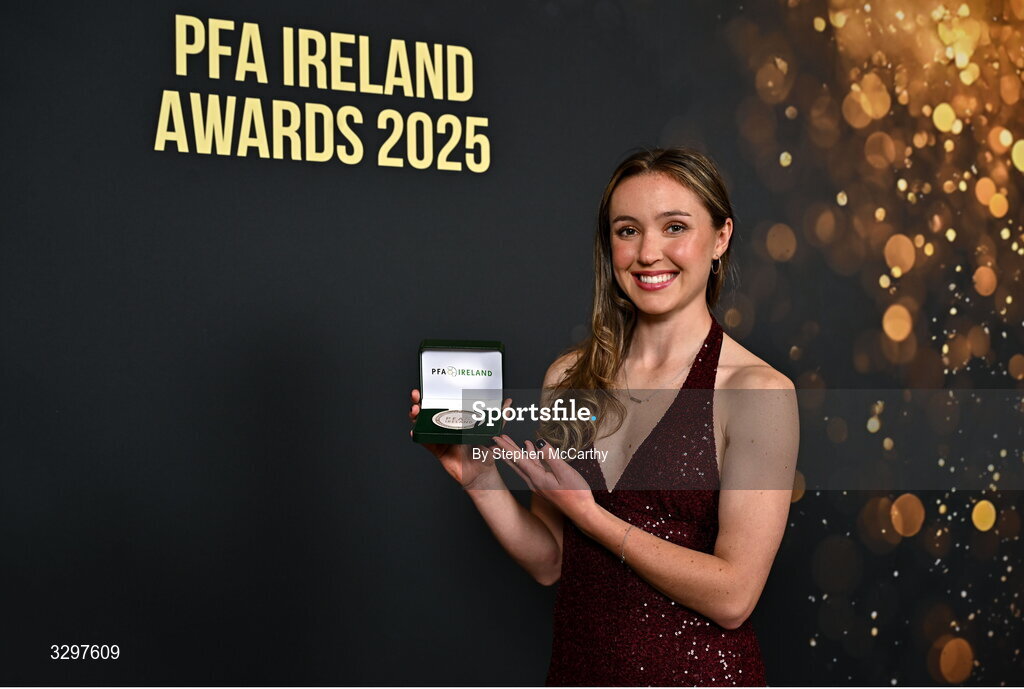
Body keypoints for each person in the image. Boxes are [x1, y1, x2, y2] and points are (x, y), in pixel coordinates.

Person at [409, 147, 799, 686]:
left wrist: (593, 518)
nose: (648, 253)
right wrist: (478, 477)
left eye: (675, 227)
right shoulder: (569, 377)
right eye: (627, 230)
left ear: (721, 237)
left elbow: (734, 596)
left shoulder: (757, 392)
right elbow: (551, 561)